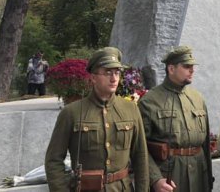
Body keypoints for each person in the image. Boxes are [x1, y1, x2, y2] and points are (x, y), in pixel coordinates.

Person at [45, 47, 148, 191]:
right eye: (107, 72)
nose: (114, 78)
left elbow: (141, 156)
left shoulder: (130, 109)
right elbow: (53, 160)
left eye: (117, 72)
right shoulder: (71, 113)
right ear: (93, 77)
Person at [138, 46, 213, 192]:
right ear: (171, 69)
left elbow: (206, 144)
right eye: (186, 66)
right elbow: (140, 147)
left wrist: (208, 177)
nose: (192, 70)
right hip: (170, 176)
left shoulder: (197, 98)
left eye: (192, 66)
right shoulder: (150, 101)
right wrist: (155, 179)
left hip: (199, 174)